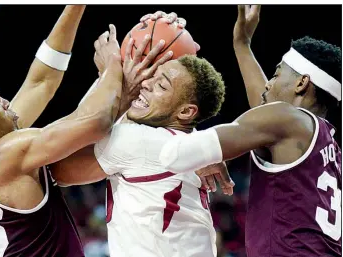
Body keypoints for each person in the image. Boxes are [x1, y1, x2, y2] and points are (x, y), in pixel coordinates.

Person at [159, 5, 342, 257]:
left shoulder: (285, 119)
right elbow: (263, 105)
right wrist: (242, 43)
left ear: (302, 83)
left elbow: (177, 154)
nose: (269, 82)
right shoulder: (325, 142)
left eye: (277, 74)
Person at [50, 15, 234, 256]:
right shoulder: (182, 138)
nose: (144, 85)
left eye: (161, 85)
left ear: (186, 112)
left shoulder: (138, 142)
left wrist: (110, 75)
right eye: (151, 77)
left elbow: (56, 167)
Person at [0, 5, 125, 256]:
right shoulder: (6, 156)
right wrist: (112, 67)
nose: (7, 102)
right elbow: (94, 123)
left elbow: (41, 81)